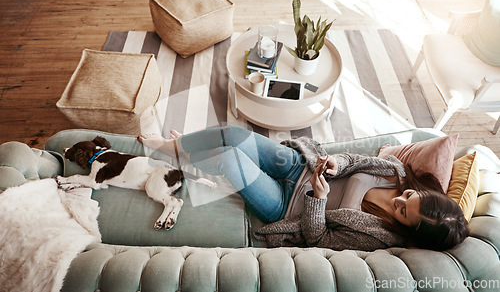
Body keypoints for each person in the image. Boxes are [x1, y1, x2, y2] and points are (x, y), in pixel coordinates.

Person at [138, 126, 468, 251]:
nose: (399, 200)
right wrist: (338, 162)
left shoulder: (379, 236)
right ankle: (176, 146)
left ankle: (188, 155)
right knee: (234, 134)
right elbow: (354, 160)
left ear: (408, 230)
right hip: (299, 167)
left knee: (229, 157)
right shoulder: (396, 172)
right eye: (409, 197)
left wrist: (319, 199)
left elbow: (318, 238)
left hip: (286, 204)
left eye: (402, 212)